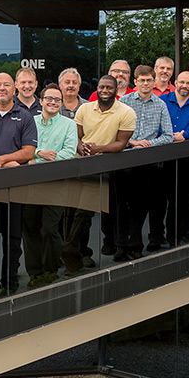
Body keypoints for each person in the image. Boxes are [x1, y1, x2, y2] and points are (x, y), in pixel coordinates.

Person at [0, 73, 38, 293]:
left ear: (15, 89)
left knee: (13, 239)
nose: (2, 89)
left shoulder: (25, 116)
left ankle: (9, 282)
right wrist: (2, 162)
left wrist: (2, 160)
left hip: (14, 187)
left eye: (7, 85)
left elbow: (29, 151)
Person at [67, 75, 135, 270]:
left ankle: (73, 248)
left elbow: (121, 144)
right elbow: (76, 137)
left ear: (116, 90)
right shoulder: (85, 108)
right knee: (74, 210)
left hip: (109, 170)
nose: (105, 90)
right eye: (102, 87)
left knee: (88, 212)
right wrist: (82, 148)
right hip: (81, 166)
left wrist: (97, 149)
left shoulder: (126, 112)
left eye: (109, 88)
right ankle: (77, 251)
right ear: (97, 88)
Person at [114, 65, 173, 261]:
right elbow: (114, 130)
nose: (146, 83)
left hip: (149, 163)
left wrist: (148, 144)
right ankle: (121, 245)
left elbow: (168, 136)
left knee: (140, 206)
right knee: (123, 206)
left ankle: (135, 245)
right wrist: (132, 142)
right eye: (142, 80)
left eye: (149, 80)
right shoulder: (124, 101)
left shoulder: (160, 104)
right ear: (135, 82)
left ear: (154, 82)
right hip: (126, 160)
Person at [22, 84, 76, 287]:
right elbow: (22, 147)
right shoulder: (29, 121)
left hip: (56, 184)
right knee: (30, 229)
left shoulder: (69, 125)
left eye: (57, 100)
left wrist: (37, 159)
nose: (53, 102)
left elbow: (68, 153)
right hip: (31, 185)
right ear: (41, 100)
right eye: (49, 99)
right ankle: (34, 273)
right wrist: (38, 153)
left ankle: (50, 270)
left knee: (49, 229)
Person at [152, 72, 189, 248]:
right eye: (182, 82)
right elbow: (152, 127)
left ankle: (174, 238)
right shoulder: (162, 101)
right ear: (175, 82)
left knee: (180, 202)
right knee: (157, 203)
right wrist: (169, 136)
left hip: (184, 162)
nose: (185, 85)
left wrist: (184, 135)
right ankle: (155, 239)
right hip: (160, 160)